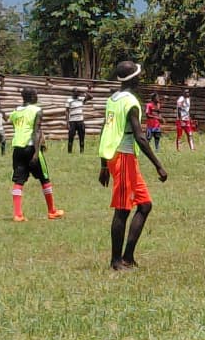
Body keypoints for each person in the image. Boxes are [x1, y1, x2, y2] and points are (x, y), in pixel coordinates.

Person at [98, 61, 168, 271]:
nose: (140, 78)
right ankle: (115, 261)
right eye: (138, 75)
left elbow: (106, 130)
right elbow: (140, 136)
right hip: (124, 157)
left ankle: (128, 256)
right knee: (122, 210)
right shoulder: (130, 102)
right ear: (132, 79)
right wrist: (159, 165)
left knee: (145, 205)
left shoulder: (113, 99)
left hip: (117, 156)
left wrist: (103, 164)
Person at [9, 87, 64, 222]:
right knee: (44, 179)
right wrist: (36, 152)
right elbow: (36, 132)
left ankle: (17, 214)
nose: (37, 96)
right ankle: (52, 211)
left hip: (17, 148)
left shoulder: (15, 111)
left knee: (18, 181)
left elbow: (13, 123)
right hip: (31, 148)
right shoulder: (37, 110)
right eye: (36, 94)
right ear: (32, 97)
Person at [66, 89, 89, 153]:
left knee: (82, 137)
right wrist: (67, 122)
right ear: (73, 92)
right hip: (72, 121)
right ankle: (69, 151)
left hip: (80, 121)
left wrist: (84, 92)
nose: (78, 93)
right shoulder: (69, 100)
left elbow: (91, 97)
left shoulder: (81, 100)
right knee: (71, 137)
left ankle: (82, 151)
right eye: (76, 91)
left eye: (78, 91)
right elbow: (67, 111)